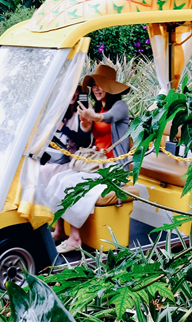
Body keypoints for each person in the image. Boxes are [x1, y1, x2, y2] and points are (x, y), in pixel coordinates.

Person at [43, 64, 130, 254]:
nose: (96, 89)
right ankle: (59, 230)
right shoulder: (97, 107)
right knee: (59, 178)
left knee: (72, 183)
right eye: (94, 86)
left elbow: (106, 118)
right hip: (95, 163)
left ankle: (75, 238)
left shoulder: (119, 107)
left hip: (114, 167)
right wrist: (85, 123)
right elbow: (90, 134)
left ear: (110, 87)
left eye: (100, 85)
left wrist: (92, 116)